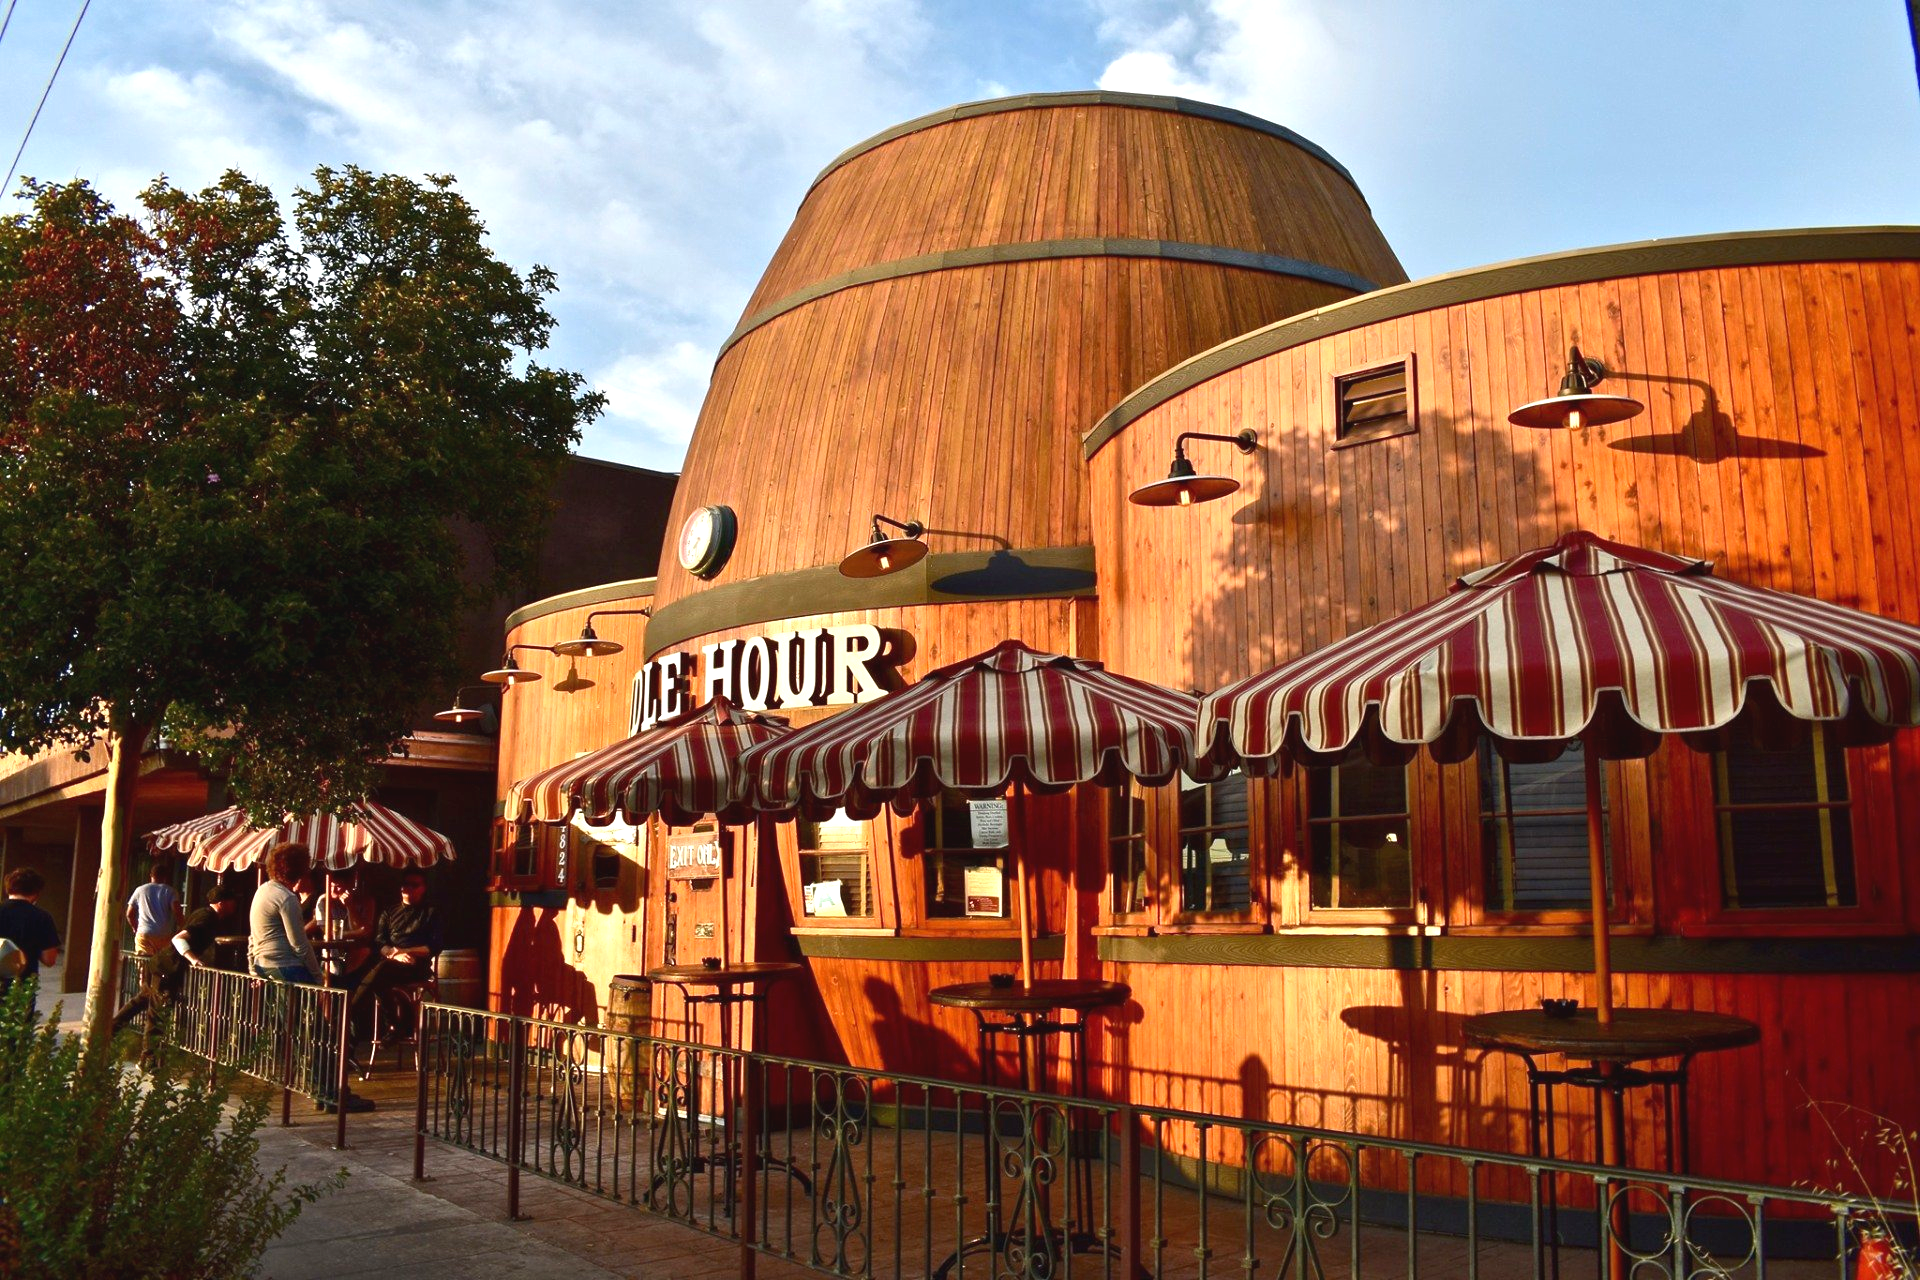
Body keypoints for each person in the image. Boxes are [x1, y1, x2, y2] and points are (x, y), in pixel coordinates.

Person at [111, 880, 241, 1038]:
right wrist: (193, 959)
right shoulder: (207, 918)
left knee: (140, 1002)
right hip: (168, 968)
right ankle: (149, 1059)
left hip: (159, 964)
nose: (235, 905)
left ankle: (109, 1032)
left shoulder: (202, 913)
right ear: (222, 903)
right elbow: (178, 939)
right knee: (158, 1017)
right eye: (232, 901)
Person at [353, 868, 443, 1034]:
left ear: (423, 888)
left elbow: (434, 946)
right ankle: (397, 1024)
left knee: (377, 974)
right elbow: (380, 941)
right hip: (390, 962)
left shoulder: (430, 913)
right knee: (374, 973)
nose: (407, 888)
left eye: (413, 885)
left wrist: (404, 952)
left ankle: (352, 1013)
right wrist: (394, 954)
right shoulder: (389, 912)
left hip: (416, 965)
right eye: (405, 884)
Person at [249, 842, 322, 984]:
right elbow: (299, 944)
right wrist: (317, 976)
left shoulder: (261, 891)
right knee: (312, 1004)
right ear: (300, 869)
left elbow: (252, 936)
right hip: (286, 965)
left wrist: (252, 968)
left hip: (262, 965)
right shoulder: (287, 898)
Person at [0, 868, 61, 996]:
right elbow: (49, 959)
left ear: (8, 888)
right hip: (23, 988)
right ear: (36, 893)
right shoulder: (42, 917)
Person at [124, 857, 181, 956]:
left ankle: (143, 971)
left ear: (151, 875)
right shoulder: (171, 891)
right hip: (164, 935)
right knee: (160, 966)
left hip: (144, 933)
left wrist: (135, 927)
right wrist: (181, 928)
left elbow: (129, 914)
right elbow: (177, 912)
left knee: (143, 966)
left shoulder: (140, 890)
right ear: (165, 877)